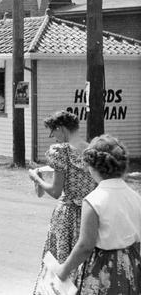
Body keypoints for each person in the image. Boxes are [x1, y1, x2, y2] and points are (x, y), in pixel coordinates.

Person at [55, 134, 141, 293]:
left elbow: (85, 246)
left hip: (104, 268)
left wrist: (64, 270)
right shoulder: (135, 197)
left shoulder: (93, 200)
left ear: (91, 167)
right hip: (131, 263)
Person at [28, 111, 97, 291]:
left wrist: (36, 178)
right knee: (84, 261)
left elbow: (56, 191)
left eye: (53, 133)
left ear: (61, 129)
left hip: (67, 214)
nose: (55, 138)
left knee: (59, 260)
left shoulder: (61, 152)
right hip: (90, 213)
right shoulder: (93, 151)